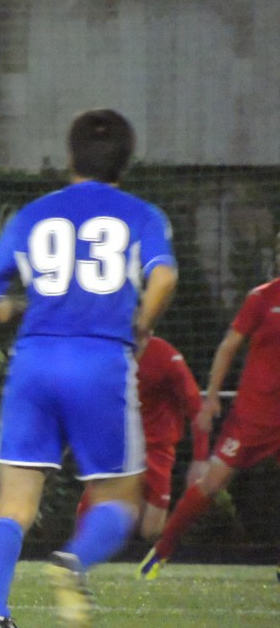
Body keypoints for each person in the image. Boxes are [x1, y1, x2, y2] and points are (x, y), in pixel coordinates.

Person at [0, 109, 178, 628]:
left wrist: (15, 309)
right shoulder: (142, 214)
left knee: (13, 505)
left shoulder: (33, 215)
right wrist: (142, 324)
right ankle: (73, 563)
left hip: (34, 362)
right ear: (126, 161)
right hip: (99, 362)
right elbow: (165, 277)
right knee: (121, 501)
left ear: (69, 156)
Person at [138, 230, 280, 582]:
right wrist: (213, 395)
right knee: (211, 484)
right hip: (253, 415)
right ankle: (162, 550)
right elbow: (229, 346)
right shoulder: (262, 298)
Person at [76, 335, 209, 542]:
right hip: (121, 444)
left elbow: (195, 406)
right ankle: (78, 550)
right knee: (97, 504)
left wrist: (200, 458)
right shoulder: (107, 353)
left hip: (157, 448)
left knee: (150, 530)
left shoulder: (166, 357)